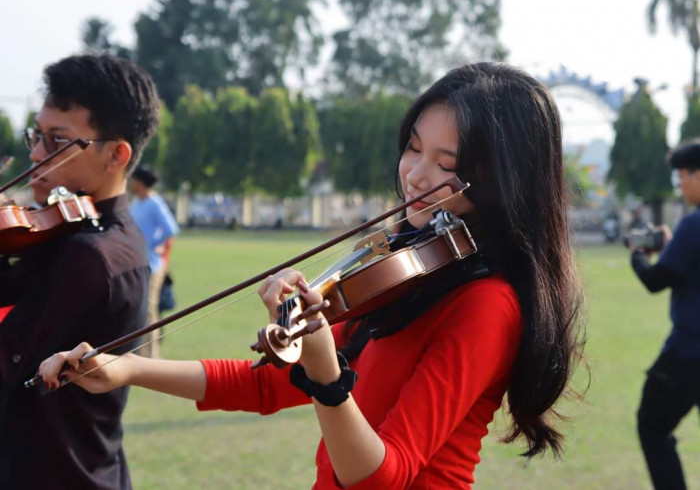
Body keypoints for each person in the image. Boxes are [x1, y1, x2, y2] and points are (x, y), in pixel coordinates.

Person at [39, 63, 584, 489]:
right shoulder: (411, 271)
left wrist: (327, 375)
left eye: (447, 165)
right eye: (414, 148)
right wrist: (127, 367)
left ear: (500, 179)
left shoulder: (488, 304)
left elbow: (382, 476)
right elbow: (264, 383)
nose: (416, 175)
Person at [0, 54, 160, 490]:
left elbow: (9, 371)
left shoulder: (94, 255)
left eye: (57, 141)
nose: (35, 154)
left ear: (117, 154)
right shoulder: (71, 230)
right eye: (37, 135)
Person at [628, 140, 700, 490]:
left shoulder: (694, 225)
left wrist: (638, 254)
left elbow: (658, 280)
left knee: (652, 425)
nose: (681, 185)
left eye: (682, 177)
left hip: (689, 354)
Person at [129, 165, 179, 358]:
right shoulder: (136, 203)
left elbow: (171, 229)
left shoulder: (154, 203)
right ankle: (139, 352)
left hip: (152, 264)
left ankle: (152, 355)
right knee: (138, 308)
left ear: (140, 182)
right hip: (136, 261)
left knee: (149, 310)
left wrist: (153, 244)